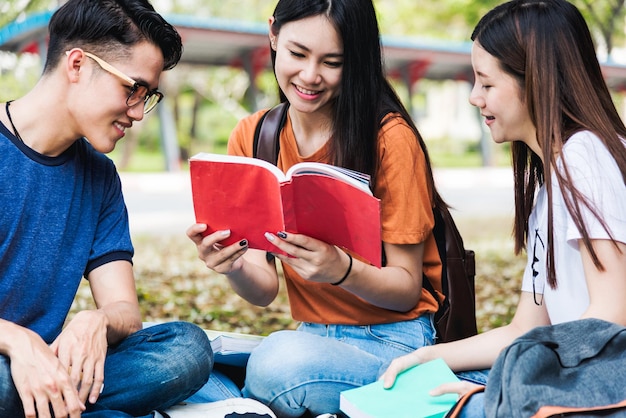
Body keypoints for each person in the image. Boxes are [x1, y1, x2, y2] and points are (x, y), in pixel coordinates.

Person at [186, 0, 447, 416]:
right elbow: (264, 289)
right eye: (297, 53)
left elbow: (405, 291)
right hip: (312, 339)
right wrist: (231, 265)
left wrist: (340, 269)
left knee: (275, 365)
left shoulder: (389, 138)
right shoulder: (255, 137)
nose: (310, 76)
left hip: (393, 342)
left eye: (333, 62)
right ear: (273, 33)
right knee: (187, 361)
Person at [381, 0, 626, 416]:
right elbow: (526, 328)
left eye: (486, 82)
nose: (476, 98)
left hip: (603, 385)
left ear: (535, 81)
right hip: (578, 375)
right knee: (415, 391)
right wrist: (425, 358)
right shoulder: (551, 183)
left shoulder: (585, 156)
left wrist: (504, 385)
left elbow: (610, 318)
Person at [0, 1, 214, 417]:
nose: (138, 112)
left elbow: (125, 312)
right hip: (8, 367)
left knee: (188, 351)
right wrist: (17, 342)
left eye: (147, 96)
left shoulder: (100, 177)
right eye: (131, 88)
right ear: (77, 64)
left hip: (50, 368)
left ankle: (53, 401)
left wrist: (94, 321)